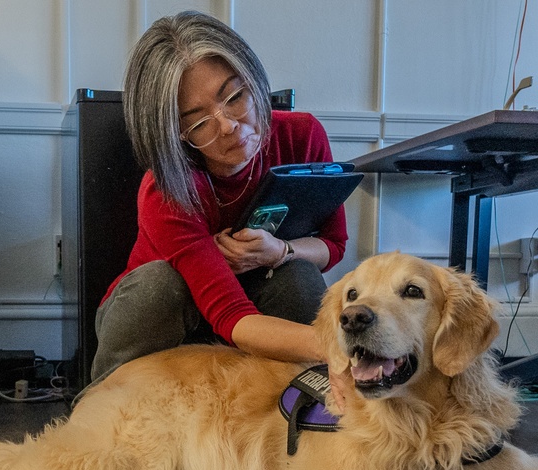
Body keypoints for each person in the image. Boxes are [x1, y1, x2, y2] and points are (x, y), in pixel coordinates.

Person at [90, 10, 348, 391]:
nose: (228, 125)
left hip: (256, 297)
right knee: (161, 285)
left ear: (253, 79)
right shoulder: (164, 189)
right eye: (198, 122)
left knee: (298, 275)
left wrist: (280, 251)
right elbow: (232, 317)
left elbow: (335, 245)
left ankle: (306, 404)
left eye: (235, 96)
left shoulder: (302, 135)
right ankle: (101, 399)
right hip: (161, 312)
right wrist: (345, 347)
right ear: (175, 134)